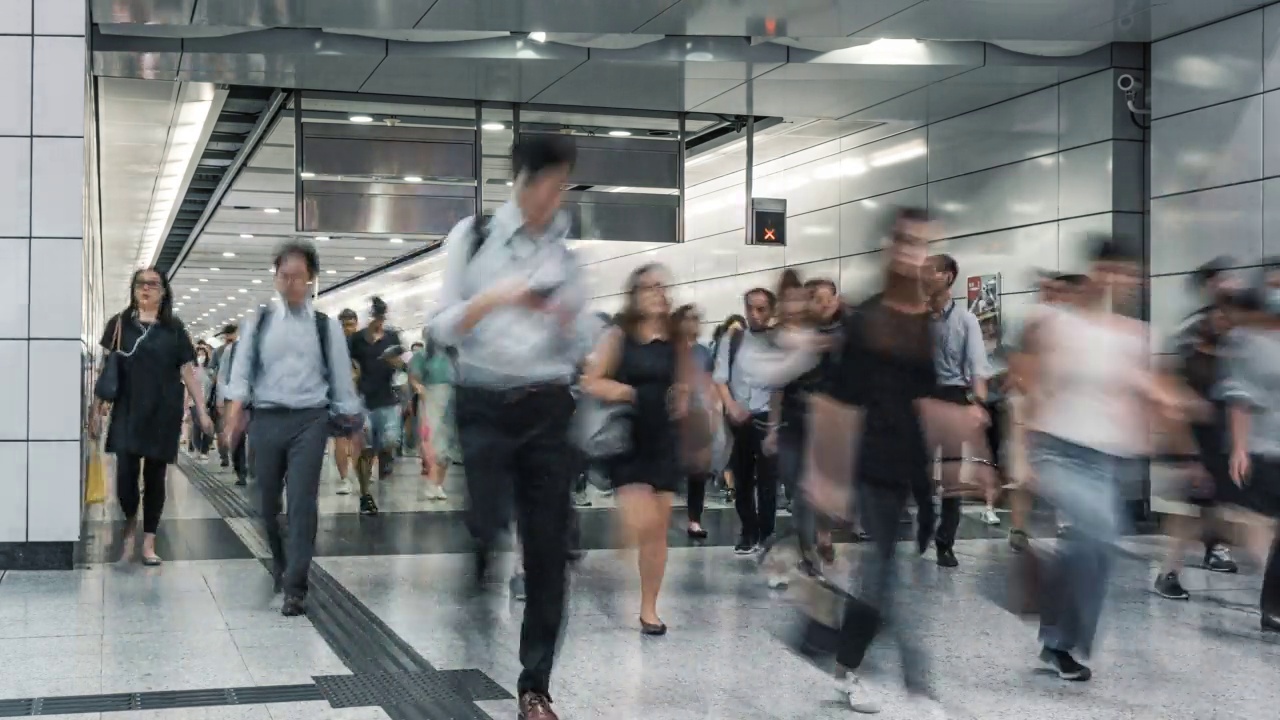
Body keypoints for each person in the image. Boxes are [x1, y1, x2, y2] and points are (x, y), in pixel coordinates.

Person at [430, 133, 589, 720]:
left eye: (563, 185)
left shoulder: (565, 255)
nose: (556, 196)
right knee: (488, 522)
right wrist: (493, 300)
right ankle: (484, 555)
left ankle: (535, 686)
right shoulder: (471, 240)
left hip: (547, 408)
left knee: (549, 552)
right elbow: (441, 327)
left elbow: (582, 337)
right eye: (550, 184)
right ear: (522, 181)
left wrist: (571, 322)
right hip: (484, 404)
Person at [1018, 236, 1179, 681]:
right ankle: (1054, 621)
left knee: (1095, 549)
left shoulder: (1136, 337)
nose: (1118, 281)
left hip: (1105, 458)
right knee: (1099, 531)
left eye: (1128, 274)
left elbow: (1145, 393)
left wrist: (1159, 418)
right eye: (1110, 271)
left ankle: (1057, 644)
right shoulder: (1056, 323)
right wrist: (1021, 451)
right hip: (1057, 448)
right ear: (1094, 272)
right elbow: (1030, 382)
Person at [822, 207, 954, 718]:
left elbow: (926, 401)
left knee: (885, 576)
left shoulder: (924, 324)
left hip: (909, 465)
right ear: (889, 250)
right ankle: (913, 687)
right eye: (904, 243)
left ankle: (843, 660)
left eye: (920, 245)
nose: (911, 254)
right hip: (870, 463)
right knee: (885, 577)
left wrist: (945, 475)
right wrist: (829, 480)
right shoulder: (867, 319)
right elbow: (841, 400)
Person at [223, 240, 363, 617]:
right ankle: (282, 562)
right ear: (275, 277)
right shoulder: (259, 320)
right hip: (266, 418)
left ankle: (296, 586)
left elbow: (340, 377)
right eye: (284, 276)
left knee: (302, 503)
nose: (290, 284)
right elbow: (242, 369)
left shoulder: (325, 327)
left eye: (298, 277)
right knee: (266, 503)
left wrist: (352, 423)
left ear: (312, 280)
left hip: (310, 420)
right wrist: (234, 411)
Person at [583, 263, 686, 635]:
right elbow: (591, 380)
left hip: (664, 439)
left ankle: (649, 609)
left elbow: (687, 383)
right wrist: (627, 392)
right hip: (628, 439)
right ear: (635, 294)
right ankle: (623, 532)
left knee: (657, 530)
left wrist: (685, 399)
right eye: (648, 287)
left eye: (662, 286)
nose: (657, 293)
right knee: (641, 519)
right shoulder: (618, 337)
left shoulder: (676, 340)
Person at [93, 268, 214, 566]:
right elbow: (107, 368)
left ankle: (148, 540)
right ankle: (130, 525)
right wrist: (95, 410)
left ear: (163, 292)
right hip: (127, 410)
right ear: (134, 290)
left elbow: (188, 372)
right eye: (140, 284)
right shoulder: (119, 324)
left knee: (156, 478)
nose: (146, 289)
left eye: (153, 284)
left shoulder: (174, 329)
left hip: (163, 411)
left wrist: (201, 409)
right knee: (125, 478)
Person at [921, 253, 995, 569]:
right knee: (917, 469)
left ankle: (945, 542)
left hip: (952, 396)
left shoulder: (966, 320)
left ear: (948, 276)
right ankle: (924, 523)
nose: (925, 277)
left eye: (932, 272)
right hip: (920, 397)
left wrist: (977, 405)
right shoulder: (914, 319)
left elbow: (978, 367)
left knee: (951, 475)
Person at [1220, 264, 1280, 633]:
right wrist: (1239, 447)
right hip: (1266, 446)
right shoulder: (1247, 340)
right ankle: (1272, 606)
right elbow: (1239, 397)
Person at [714, 290, 779, 554]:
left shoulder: (778, 342)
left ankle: (766, 533)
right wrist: (730, 406)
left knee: (768, 481)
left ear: (771, 311)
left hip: (767, 418)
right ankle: (748, 530)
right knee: (741, 479)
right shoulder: (734, 340)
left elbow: (782, 384)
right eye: (750, 308)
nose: (755, 314)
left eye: (762, 309)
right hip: (739, 417)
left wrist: (775, 422)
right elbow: (719, 377)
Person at [347, 296, 405, 515]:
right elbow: (346, 366)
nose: (379, 321)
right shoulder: (356, 340)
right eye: (375, 316)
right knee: (366, 449)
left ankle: (385, 458)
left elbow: (405, 363)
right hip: (363, 400)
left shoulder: (392, 337)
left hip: (388, 399)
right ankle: (365, 494)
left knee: (390, 441)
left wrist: (398, 364)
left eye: (382, 317)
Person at [673, 304, 714, 539]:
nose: (693, 323)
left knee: (698, 471)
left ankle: (694, 519)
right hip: (676, 415)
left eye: (696, 319)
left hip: (698, 414)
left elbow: (709, 382)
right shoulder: (670, 350)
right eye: (688, 319)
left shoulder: (703, 352)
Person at [408, 334, 456, 500]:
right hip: (431, 398)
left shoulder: (454, 355)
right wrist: (419, 389)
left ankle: (438, 484)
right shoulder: (422, 356)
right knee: (433, 442)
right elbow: (414, 378)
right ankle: (431, 483)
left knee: (447, 443)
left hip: (451, 398)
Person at [213, 323, 249, 486]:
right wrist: (220, 399)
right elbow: (222, 375)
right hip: (235, 399)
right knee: (237, 436)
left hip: (258, 400)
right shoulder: (230, 350)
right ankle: (241, 471)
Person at [332, 308, 361, 495]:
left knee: (358, 439)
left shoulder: (362, 344)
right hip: (340, 398)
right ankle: (344, 477)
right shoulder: (334, 345)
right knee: (341, 439)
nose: (347, 329)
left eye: (351, 325)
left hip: (361, 398)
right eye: (344, 325)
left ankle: (357, 473)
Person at [189, 345, 215, 459]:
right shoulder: (192, 369)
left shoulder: (210, 370)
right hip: (194, 402)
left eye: (203, 354)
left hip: (208, 402)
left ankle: (204, 449)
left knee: (208, 426)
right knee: (198, 425)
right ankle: (199, 449)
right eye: (199, 354)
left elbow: (214, 384)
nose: (201, 357)